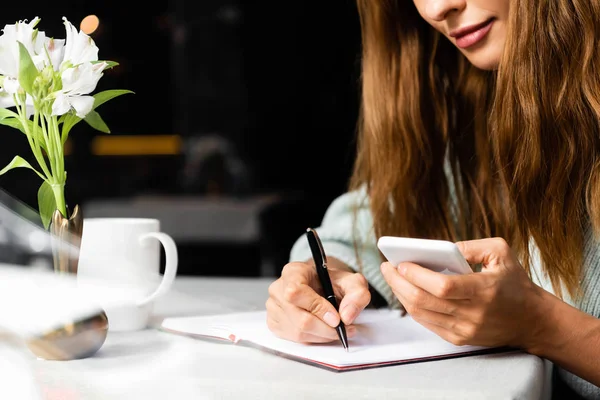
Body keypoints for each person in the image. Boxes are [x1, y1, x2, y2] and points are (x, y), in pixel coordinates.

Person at [265, 1, 600, 398]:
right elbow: (374, 224)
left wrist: (542, 324)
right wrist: (327, 278)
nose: (437, 8)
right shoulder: (498, 101)